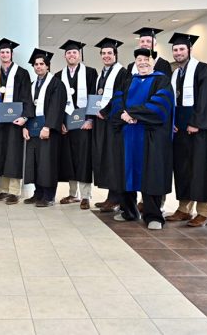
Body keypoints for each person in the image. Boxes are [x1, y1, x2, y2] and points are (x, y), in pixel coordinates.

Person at [104, 48, 174, 230]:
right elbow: (117, 101)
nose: (142, 62)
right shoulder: (129, 81)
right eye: (139, 60)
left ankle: (153, 216)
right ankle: (129, 211)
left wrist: (133, 114)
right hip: (127, 136)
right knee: (125, 174)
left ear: (153, 62)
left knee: (151, 175)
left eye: (146, 59)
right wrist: (123, 115)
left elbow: (161, 106)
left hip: (150, 137)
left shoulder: (162, 80)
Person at [165, 33, 207, 227]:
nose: (178, 52)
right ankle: (184, 209)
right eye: (175, 50)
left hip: (199, 131)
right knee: (182, 169)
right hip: (179, 130)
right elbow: (171, 101)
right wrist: (171, 121)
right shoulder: (175, 73)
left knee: (200, 170)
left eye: (182, 49)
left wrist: (197, 122)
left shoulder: (204, 69)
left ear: (190, 50)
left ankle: (204, 212)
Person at [55, 40, 98, 209]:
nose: (71, 55)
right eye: (68, 53)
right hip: (67, 123)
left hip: (83, 123)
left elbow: (93, 97)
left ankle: (86, 195)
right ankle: (73, 194)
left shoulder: (90, 72)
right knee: (69, 158)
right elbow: (57, 102)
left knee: (84, 158)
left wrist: (90, 119)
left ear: (79, 55)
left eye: (74, 52)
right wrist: (60, 122)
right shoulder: (59, 75)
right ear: (65, 56)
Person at [0, 38, 34, 205]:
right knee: (1, 154)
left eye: (7, 52)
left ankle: (15, 192)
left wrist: (24, 117)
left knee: (14, 155)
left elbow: (27, 97)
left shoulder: (22, 73)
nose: (4, 54)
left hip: (15, 122)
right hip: (0, 122)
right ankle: (3, 190)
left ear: (12, 54)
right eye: (2, 52)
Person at [23, 49, 67, 207]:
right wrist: (25, 126)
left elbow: (56, 107)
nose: (39, 66)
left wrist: (48, 126)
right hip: (33, 129)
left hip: (48, 130)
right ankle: (38, 193)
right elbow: (27, 105)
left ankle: (49, 196)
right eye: (36, 64)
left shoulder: (56, 84)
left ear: (48, 66)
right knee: (35, 162)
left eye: (42, 64)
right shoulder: (32, 85)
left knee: (47, 163)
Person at [92, 38, 128, 213]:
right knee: (106, 158)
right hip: (102, 121)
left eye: (109, 53)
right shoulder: (102, 73)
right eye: (103, 53)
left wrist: (106, 112)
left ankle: (117, 198)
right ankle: (111, 196)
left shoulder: (122, 72)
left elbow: (120, 96)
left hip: (114, 123)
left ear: (115, 55)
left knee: (115, 159)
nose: (106, 56)